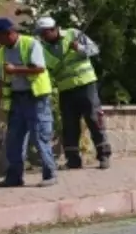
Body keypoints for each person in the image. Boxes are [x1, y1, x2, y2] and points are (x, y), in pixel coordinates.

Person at [0, 17, 58, 188]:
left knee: (39, 136)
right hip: (17, 98)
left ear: (9, 33)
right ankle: (14, 177)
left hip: (36, 98)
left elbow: (40, 68)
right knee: (14, 139)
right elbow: (0, 77)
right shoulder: (2, 51)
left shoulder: (31, 44)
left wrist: (15, 70)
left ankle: (50, 174)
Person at [36, 16, 112, 170]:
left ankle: (104, 155)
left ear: (54, 29)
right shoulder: (43, 49)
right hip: (65, 89)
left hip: (86, 84)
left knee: (93, 119)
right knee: (69, 125)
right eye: (41, 34)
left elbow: (95, 49)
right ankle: (73, 160)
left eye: (45, 33)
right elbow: (49, 71)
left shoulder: (73, 34)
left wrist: (80, 49)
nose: (43, 37)